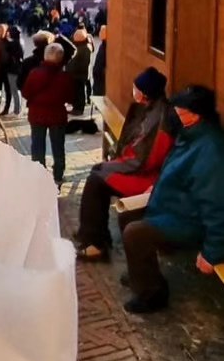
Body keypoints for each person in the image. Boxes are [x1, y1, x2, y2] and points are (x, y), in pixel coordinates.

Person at [121, 86, 224, 313]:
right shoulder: (190, 134)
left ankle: (153, 294)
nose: (176, 113)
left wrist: (212, 252)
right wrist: (154, 187)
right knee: (127, 215)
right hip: (172, 206)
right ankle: (141, 272)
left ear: (196, 114)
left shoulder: (210, 149)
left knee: (135, 232)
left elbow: (216, 206)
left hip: (189, 220)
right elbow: (173, 170)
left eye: (181, 110)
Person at [74, 68, 174, 261]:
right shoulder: (152, 108)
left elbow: (143, 160)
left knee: (96, 180)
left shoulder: (159, 118)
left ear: (145, 92)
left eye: (136, 88)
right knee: (97, 175)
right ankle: (95, 235)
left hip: (149, 176)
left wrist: (110, 167)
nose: (133, 90)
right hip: (143, 168)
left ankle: (95, 243)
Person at [21, 43, 74, 189]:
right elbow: (70, 97)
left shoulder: (35, 74)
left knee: (37, 146)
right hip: (57, 115)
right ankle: (58, 174)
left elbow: (26, 93)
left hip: (37, 115)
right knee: (58, 146)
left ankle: (39, 175)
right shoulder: (64, 77)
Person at [66, 28, 93, 115]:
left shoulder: (85, 48)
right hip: (76, 75)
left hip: (80, 75)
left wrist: (73, 68)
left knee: (80, 92)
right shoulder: (81, 46)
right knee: (76, 92)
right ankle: (76, 107)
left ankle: (79, 109)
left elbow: (83, 64)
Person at [2, 25, 24, 116]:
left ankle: (16, 110)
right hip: (17, 68)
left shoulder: (13, 43)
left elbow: (7, 47)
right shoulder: (20, 41)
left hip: (12, 69)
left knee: (14, 90)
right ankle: (17, 109)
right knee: (16, 90)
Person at [92, 25, 106, 97]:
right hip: (99, 78)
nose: (99, 33)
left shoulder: (105, 47)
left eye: (101, 32)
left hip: (100, 79)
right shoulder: (103, 45)